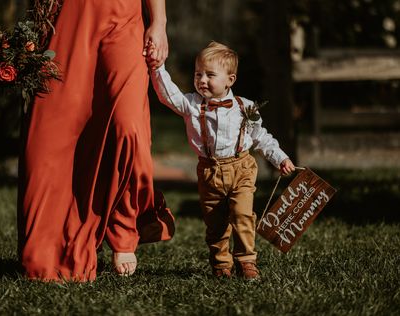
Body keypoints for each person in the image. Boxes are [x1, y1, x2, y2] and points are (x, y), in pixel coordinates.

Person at [17, 0, 175, 282]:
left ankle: (124, 228)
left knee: (129, 126)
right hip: (67, 22)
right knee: (52, 136)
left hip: (124, 22)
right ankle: (55, 244)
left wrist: (159, 22)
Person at [147, 41, 295, 279]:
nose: (202, 80)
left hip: (241, 168)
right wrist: (157, 68)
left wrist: (280, 158)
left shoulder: (245, 107)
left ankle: (246, 261)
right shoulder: (192, 105)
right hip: (209, 171)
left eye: (210, 75)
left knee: (242, 215)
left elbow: (261, 138)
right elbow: (168, 95)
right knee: (215, 222)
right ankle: (221, 265)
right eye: (198, 74)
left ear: (230, 80)